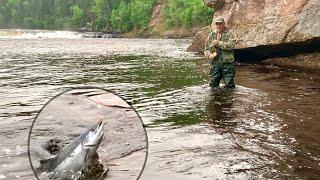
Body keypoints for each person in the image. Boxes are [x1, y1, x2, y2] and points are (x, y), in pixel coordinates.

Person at [204, 16, 236, 89]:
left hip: (227, 64)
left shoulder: (231, 33)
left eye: (220, 24)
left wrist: (219, 43)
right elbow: (206, 49)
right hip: (215, 64)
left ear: (224, 24)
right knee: (213, 86)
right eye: (217, 24)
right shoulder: (211, 35)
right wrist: (210, 55)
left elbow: (231, 45)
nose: (218, 26)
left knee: (230, 86)